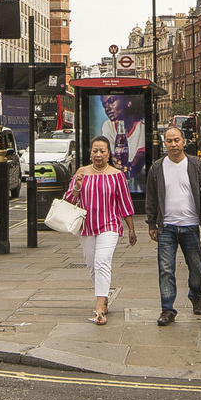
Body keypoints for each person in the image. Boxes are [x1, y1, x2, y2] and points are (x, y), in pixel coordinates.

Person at [144, 126, 201, 326]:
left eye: (177, 140)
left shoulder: (195, 165)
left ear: (184, 141)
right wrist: (152, 223)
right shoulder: (157, 168)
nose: (173, 144)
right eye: (169, 141)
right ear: (164, 143)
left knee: (196, 266)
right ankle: (167, 309)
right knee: (166, 269)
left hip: (190, 226)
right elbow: (151, 198)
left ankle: (196, 295)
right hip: (166, 227)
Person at [65, 135, 136, 325]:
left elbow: (125, 204)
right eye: (95, 151)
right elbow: (69, 201)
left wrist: (131, 229)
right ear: (90, 153)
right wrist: (77, 188)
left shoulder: (117, 175)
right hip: (87, 226)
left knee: (102, 261)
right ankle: (103, 298)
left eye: (102, 151)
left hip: (110, 225)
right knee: (92, 265)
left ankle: (99, 307)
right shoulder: (82, 172)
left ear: (108, 154)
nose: (98, 155)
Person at [98, 94, 148, 186]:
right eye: (104, 105)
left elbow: (139, 159)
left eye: (111, 101)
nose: (107, 108)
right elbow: (109, 156)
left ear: (128, 102)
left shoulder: (142, 127)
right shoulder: (107, 125)